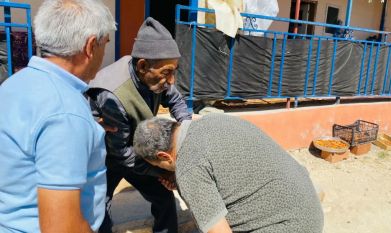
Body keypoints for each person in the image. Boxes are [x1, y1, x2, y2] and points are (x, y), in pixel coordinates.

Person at [0, 0, 116, 233]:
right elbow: (62, 228)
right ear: (91, 46)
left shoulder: (14, 85)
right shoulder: (65, 112)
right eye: (105, 44)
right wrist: (74, 126)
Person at [133, 114, 324, 233]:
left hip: (286, 227)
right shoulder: (213, 120)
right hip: (309, 211)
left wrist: (186, 181)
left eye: (158, 165)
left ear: (164, 156)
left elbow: (219, 231)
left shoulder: (188, 169)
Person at [87, 17, 192, 233]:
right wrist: (161, 172)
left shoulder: (155, 74)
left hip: (136, 148)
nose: (171, 80)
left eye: (174, 71)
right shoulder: (113, 94)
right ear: (143, 66)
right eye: (167, 73)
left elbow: (175, 100)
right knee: (99, 211)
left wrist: (188, 131)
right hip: (106, 155)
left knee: (163, 199)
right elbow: (123, 154)